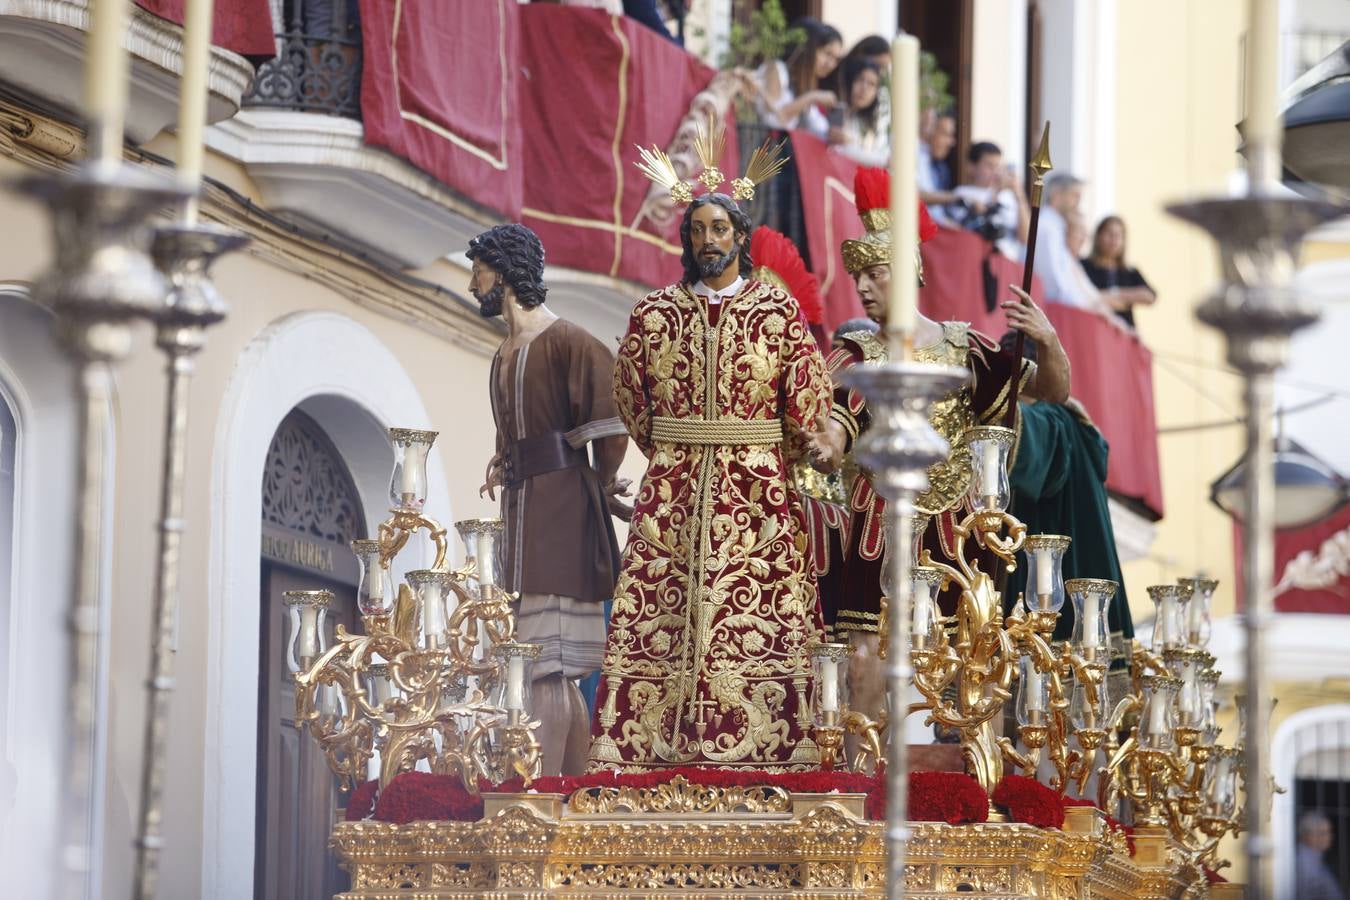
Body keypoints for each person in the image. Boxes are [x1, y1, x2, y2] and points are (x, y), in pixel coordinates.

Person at [809, 166, 1071, 728]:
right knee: (863, 653)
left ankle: (972, 778)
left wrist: (1046, 339)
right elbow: (837, 417)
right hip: (877, 524)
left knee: (975, 655)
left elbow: (1052, 390)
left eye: (876, 274)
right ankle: (864, 779)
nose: (865, 287)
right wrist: (827, 445)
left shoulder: (963, 347)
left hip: (957, 523)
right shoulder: (856, 352)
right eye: (859, 278)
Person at [588, 190, 832, 771]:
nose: (708, 242)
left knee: (767, 612)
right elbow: (629, 395)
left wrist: (788, 450)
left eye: (719, 229)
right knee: (660, 614)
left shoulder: (776, 312)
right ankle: (646, 748)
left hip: (757, 491)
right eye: (697, 230)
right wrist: (673, 448)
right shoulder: (653, 313)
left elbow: (807, 395)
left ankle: (774, 751)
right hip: (674, 488)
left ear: (739, 237)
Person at [470, 223, 633, 777]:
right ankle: (559, 790)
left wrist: (604, 484)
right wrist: (503, 458)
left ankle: (548, 791)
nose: (473, 285)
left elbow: (611, 428)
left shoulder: (571, 341)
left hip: (563, 514)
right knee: (535, 661)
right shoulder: (503, 352)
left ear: (507, 272)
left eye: (480, 271)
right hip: (523, 513)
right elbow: (514, 428)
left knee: (549, 666)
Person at [752, 17, 842, 138]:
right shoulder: (775, 69)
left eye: (835, 59)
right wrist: (812, 97)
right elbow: (772, 121)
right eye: (827, 53)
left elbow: (818, 126)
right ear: (807, 48)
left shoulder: (803, 82)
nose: (830, 64)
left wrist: (835, 135)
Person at [948, 141, 1029, 261]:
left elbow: (1025, 238)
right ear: (971, 167)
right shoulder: (961, 193)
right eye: (989, 166)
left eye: (998, 166)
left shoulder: (1008, 196)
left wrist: (1019, 194)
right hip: (977, 264)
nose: (995, 172)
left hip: (1008, 264)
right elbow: (971, 230)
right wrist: (996, 193)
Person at [1081, 215, 1156, 328]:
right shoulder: (1084, 266)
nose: (1114, 239)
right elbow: (1081, 296)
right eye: (1109, 233)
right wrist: (1120, 301)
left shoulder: (1129, 272)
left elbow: (1150, 296)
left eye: (1119, 235)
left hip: (1122, 335)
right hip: (1092, 328)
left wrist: (1115, 293)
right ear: (1098, 236)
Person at [827, 57, 889, 166]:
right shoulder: (835, 109)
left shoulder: (859, 120)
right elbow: (838, 150)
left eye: (871, 84)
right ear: (850, 80)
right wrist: (885, 161)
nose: (864, 88)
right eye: (860, 79)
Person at [1297, 811, 1345, 900]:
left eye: (1329, 832)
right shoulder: (1304, 864)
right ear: (1306, 836)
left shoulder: (1315, 858)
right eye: (1322, 833)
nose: (1329, 837)